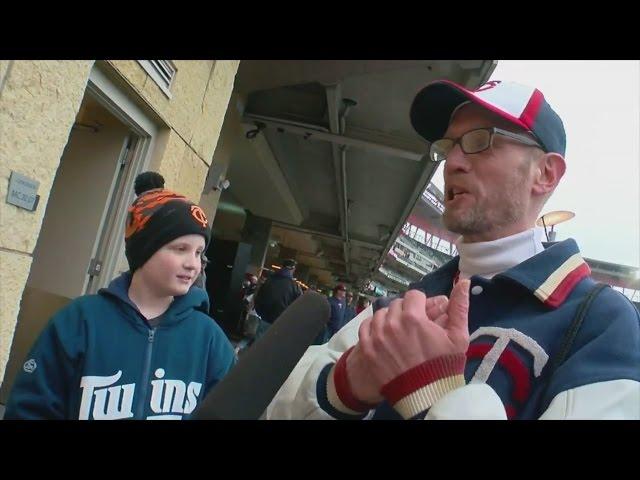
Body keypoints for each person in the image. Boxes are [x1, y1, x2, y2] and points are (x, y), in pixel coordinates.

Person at [265, 79, 640, 420]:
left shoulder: (600, 320)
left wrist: (431, 390)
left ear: (545, 174)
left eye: (481, 141)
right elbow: (271, 409)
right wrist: (346, 384)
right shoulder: (406, 304)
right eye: (448, 147)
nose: (453, 163)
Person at [5, 172, 235, 420]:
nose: (193, 264)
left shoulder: (209, 338)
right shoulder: (80, 321)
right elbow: (30, 410)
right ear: (145, 250)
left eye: (199, 253)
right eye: (181, 249)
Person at [253, 259, 302, 339]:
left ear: (281, 267)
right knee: (273, 345)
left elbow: (259, 296)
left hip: (265, 318)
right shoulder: (295, 287)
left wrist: (260, 313)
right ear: (293, 269)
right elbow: (298, 307)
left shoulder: (270, 280)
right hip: (281, 322)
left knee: (259, 343)